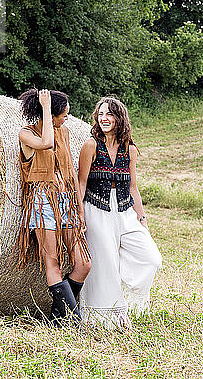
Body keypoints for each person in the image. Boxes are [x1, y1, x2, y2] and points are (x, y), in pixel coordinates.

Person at [78, 96, 162, 328]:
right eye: (101, 114)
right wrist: (80, 214)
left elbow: (133, 186)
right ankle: (110, 316)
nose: (104, 118)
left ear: (119, 118)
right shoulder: (91, 145)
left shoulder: (130, 149)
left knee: (151, 259)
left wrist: (142, 219)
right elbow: (81, 183)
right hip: (96, 209)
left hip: (125, 210)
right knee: (105, 263)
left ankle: (131, 302)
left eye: (109, 114)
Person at [15, 89, 91, 326]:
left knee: (84, 263)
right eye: (64, 114)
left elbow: (70, 173)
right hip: (42, 202)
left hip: (66, 200)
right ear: (50, 113)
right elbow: (45, 143)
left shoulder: (64, 132)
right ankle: (74, 322)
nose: (67, 117)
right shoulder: (26, 134)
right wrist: (46, 107)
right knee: (53, 263)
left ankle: (59, 319)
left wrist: (79, 210)